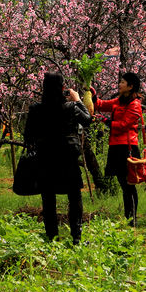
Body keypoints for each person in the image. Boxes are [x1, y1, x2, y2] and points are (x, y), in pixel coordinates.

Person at [24, 73, 92, 244]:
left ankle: (51, 238)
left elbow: (28, 137)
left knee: (48, 199)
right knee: (74, 196)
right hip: (68, 158)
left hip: (45, 159)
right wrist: (78, 100)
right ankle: (76, 237)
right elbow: (88, 120)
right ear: (62, 88)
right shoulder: (70, 107)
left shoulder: (35, 109)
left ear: (43, 88)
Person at [94, 72, 143, 226]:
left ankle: (132, 219)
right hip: (115, 146)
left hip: (127, 147)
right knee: (123, 183)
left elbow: (124, 125)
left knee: (129, 184)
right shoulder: (119, 101)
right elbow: (101, 105)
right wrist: (92, 94)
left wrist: (105, 121)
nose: (119, 84)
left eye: (122, 82)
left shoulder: (135, 105)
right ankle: (129, 218)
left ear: (130, 86)